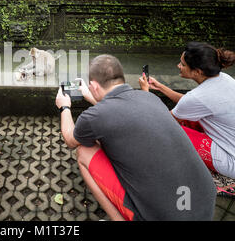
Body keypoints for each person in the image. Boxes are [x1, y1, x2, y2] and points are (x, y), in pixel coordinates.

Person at [55, 54, 216, 221]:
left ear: (94, 85)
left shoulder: (94, 117)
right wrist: (91, 95)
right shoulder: (149, 97)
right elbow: (119, 113)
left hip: (165, 216)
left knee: (84, 151)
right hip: (204, 200)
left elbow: (70, 139)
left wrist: (64, 107)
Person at [139, 42, 235, 179]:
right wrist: (160, 87)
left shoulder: (197, 98)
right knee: (186, 119)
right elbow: (191, 104)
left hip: (231, 160)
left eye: (183, 64)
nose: (179, 66)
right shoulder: (224, 78)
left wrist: (145, 92)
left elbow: (161, 122)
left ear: (197, 72)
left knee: (166, 133)